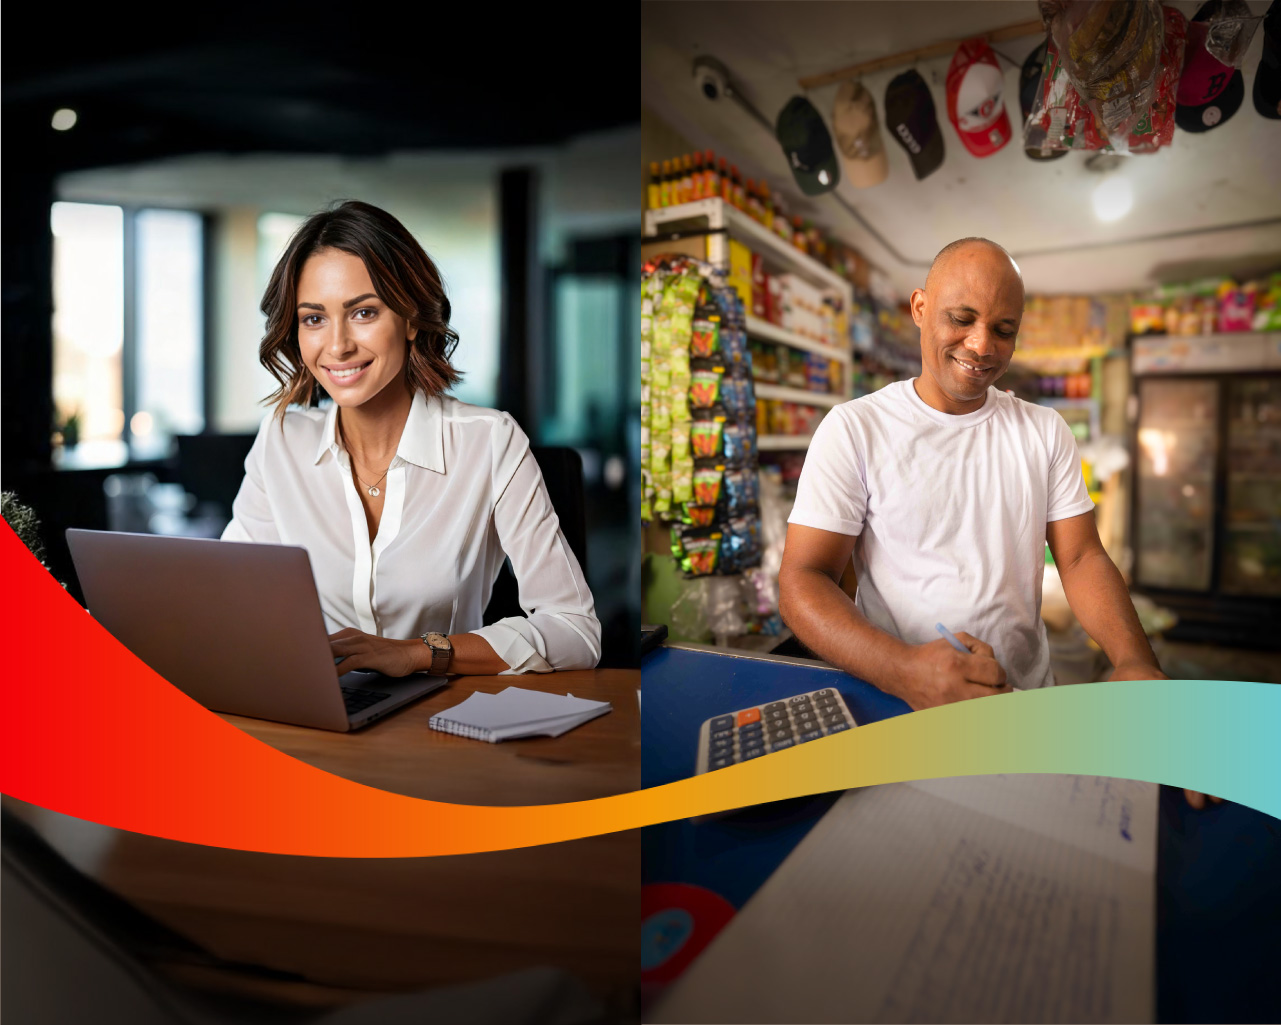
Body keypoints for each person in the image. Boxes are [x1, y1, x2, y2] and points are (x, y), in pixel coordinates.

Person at [778, 237, 1230, 807]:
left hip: (1025, 708)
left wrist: (1135, 660)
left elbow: (1081, 557)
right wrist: (903, 670)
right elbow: (803, 579)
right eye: (961, 319)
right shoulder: (854, 431)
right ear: (919, 309)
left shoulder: (1043, 432)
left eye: (1004, 329)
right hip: (898, 708)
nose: (981, 345)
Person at [222, 200, 600, 677]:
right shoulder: (281, 441)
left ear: (412, 317)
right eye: (313, 318)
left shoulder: (489, 441)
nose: (336, 345)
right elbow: (232, 597)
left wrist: (418, 653)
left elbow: (576, 631)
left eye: (363, 312)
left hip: (440, 719)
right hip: (318, 710)